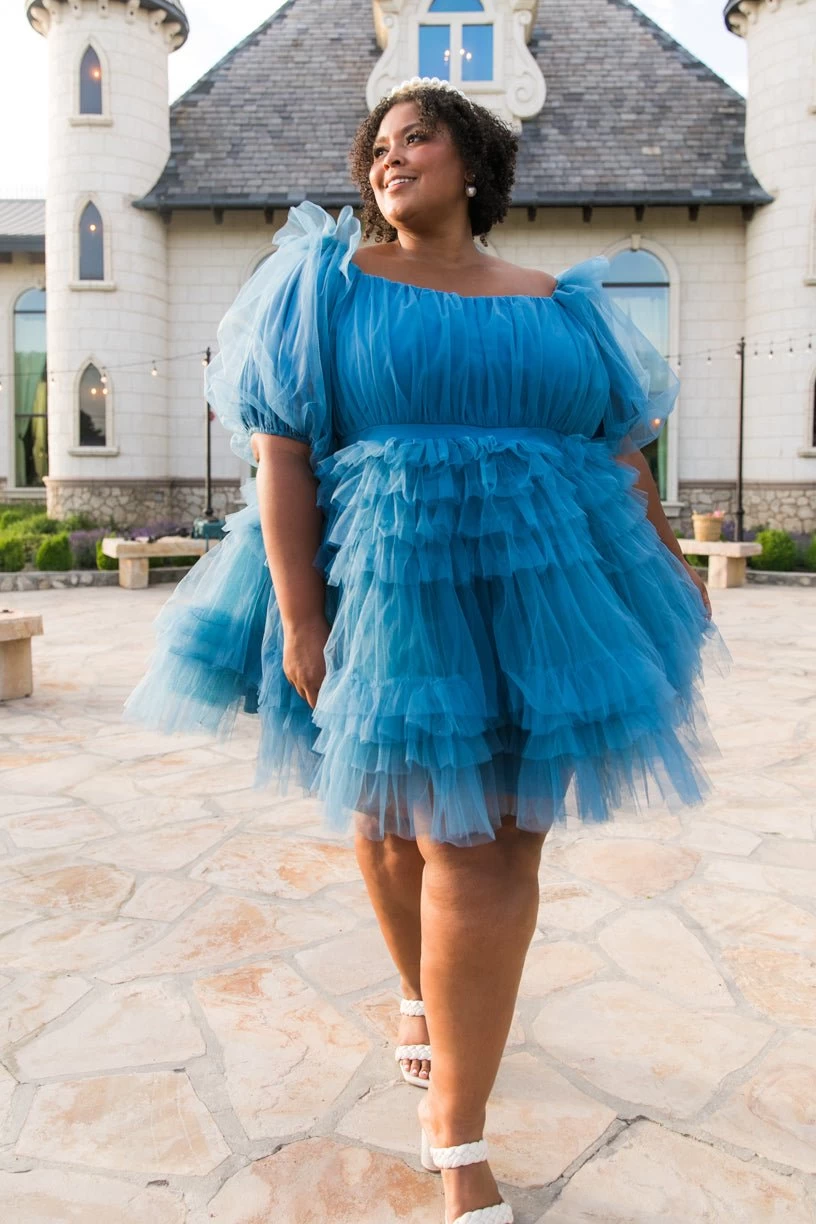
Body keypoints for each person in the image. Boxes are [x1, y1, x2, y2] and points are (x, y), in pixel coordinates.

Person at [126, 77, 731, 1224]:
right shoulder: (326, 285)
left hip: (544, 594)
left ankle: (458, 1138)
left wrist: (673, 565)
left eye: (417, 138)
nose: (389, 159)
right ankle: (416, 988)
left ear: (474, 164)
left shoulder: (564, 306)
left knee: (493, 843)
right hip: (382, 584)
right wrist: (302, 617)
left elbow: (620, 454)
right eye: (377, 148)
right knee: (393, 818)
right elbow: (282, 455)